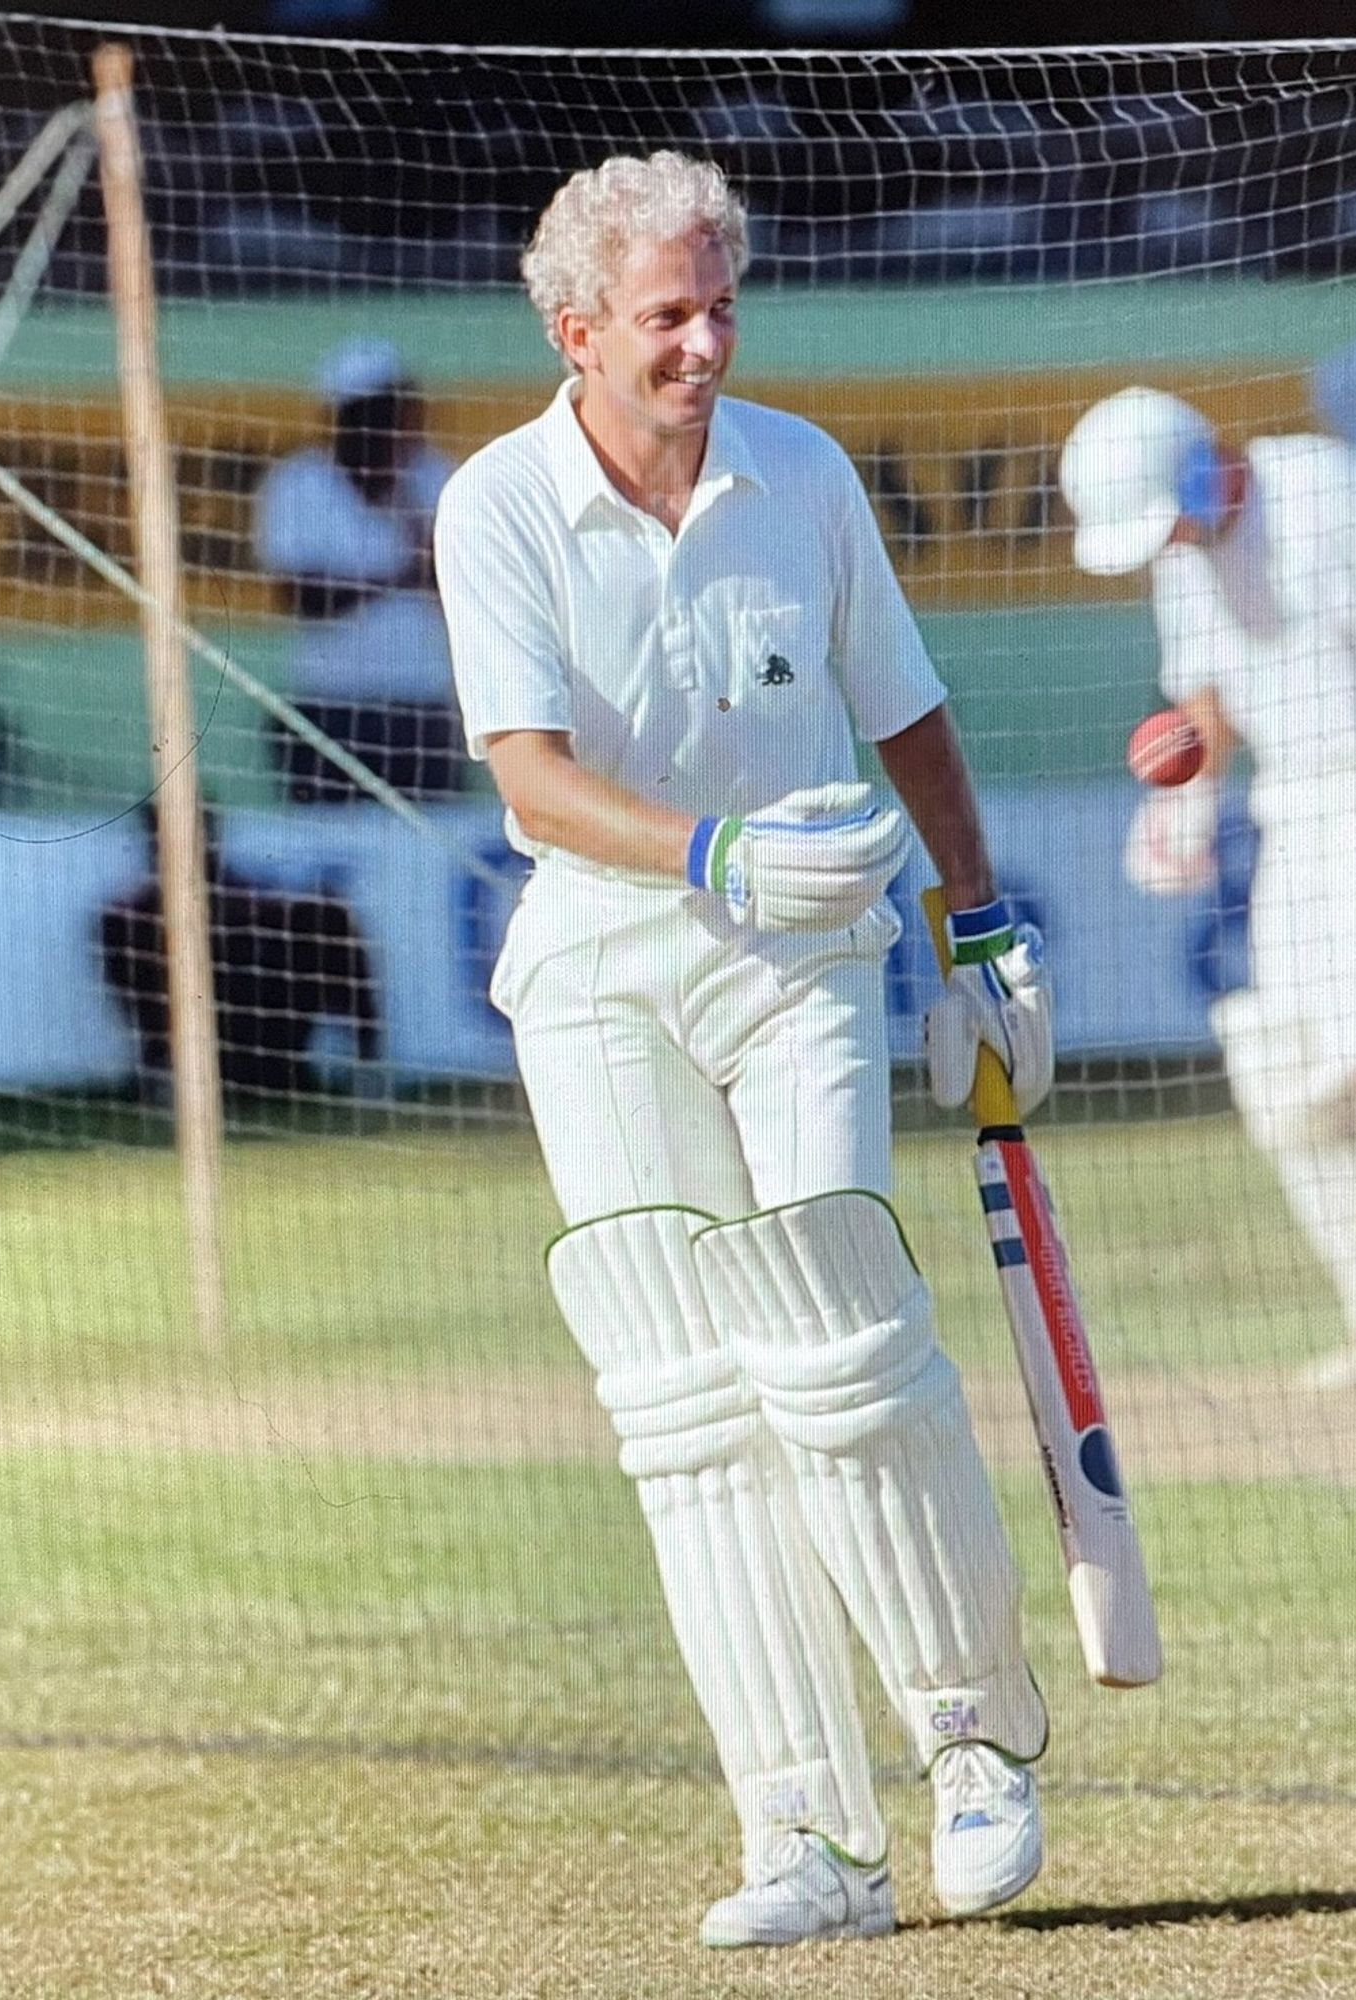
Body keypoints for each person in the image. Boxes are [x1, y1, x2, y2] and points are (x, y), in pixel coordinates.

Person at [433, 151, 1054, 1947]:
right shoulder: (499, 505)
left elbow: (904, 704)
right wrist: (706, 849)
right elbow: (529, 772)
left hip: (802, 955)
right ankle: (807, 1840)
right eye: (667, 318)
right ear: (577, 334)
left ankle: (972, 1736)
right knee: (682, 1408)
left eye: (721, 306)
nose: (705, 343)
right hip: (606, 959)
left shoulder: (800, 470)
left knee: (840, 1343)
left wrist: (980, 916)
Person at [1060, 384, 1356, 1391]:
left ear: (1198, 466)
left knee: (1342, 1057)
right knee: (1280, 1080)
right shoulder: (1178, 559)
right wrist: (1183, 800)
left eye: (1166, 519)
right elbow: (1204, 696)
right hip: (1297, 813)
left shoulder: (1318, 495)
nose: (1167, 544)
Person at [253, 336, 464, 803]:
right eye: (383, 411)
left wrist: (402, 503)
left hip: (421, 706)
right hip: (332, 704)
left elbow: (458, 587)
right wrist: (395, 575)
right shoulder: (299, 483)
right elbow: (305, 600)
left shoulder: (436, 478)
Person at [99, 804, 381, 1103]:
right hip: (190, 1038)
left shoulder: (253, 898)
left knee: (324, 916)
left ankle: (365, 1062)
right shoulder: (131, 915)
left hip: (263, 1034)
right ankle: (168, 1072)